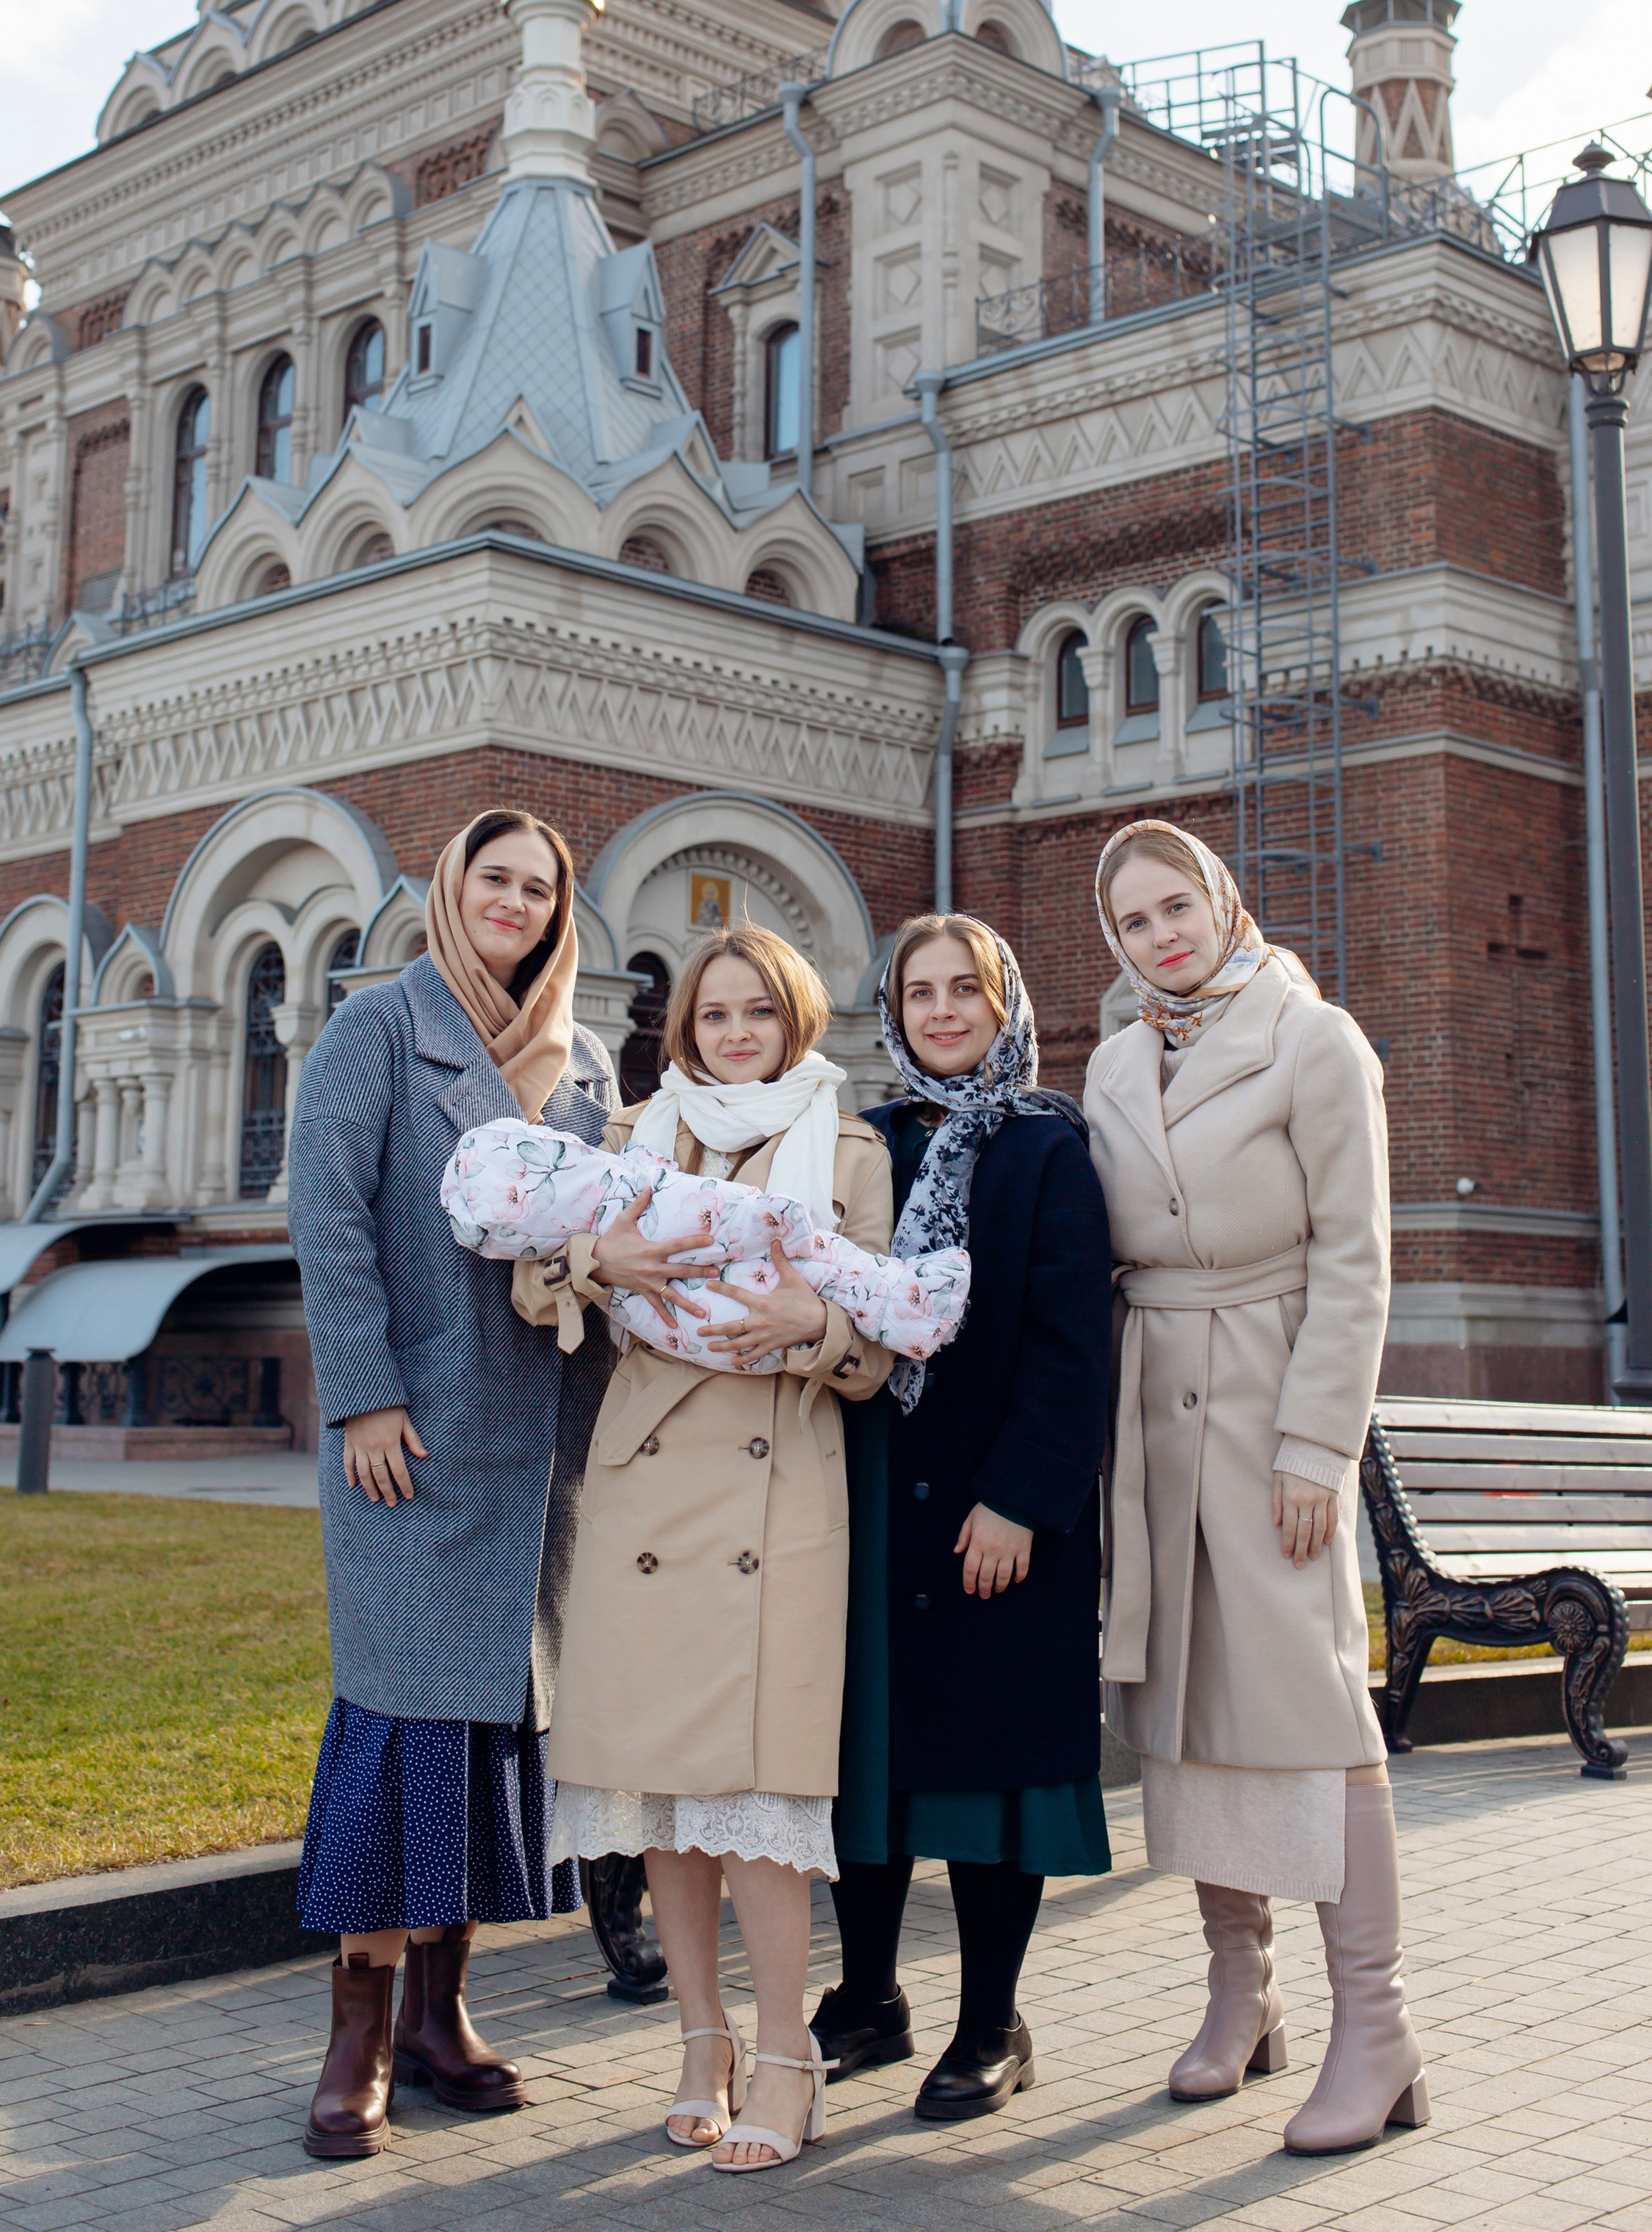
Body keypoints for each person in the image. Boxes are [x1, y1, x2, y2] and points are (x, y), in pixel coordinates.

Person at [517, 924, 892, 2175]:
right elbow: (532, 1285)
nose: (736, 1034)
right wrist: (599, 1256)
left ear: (796, 1023)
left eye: (758, 1013)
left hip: (777, 1487)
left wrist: (810, 1323)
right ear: (683, 1029)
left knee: (759, 1795)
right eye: (714, 1014)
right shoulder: (630, 1137)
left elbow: (881, 1344)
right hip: (640, 1489)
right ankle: (700, 2041)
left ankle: (787, 2055)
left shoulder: (850, 1148)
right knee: (663, 1792)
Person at [1085, 818, 1427, 2157]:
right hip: (1154, 1411)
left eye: (1178, 907)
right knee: (1184, 1708)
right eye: (1134, 921)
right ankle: (1244, 1988)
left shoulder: (1314, 1038)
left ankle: (1377, 2031)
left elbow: (1357, 1257)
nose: (1161, 936)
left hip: (1274, 1398)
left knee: (1312, 1706)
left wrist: (1315, 1447)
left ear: (1225, 903)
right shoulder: (1114, 1060)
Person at [286, 809, 616, 2162]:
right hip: (411, 1439)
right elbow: (328, 1218)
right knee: (397, 1724)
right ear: (452, 888)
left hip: (542, 1442)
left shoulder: (583, 1060)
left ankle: (441, 2012)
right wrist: (363, 1393)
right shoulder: (377, 1029)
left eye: (540, 889)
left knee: (488, 1725)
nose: (517, 904)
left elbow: (608, 1222)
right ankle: (356, 2033)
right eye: (497, 880)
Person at [811, 913, 1114, 2123]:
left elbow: (1072, 1347)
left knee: (994, 1772)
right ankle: (867, 1998)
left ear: (1003, 1005)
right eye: (918, 993)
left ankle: (992, 2021)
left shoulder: (1048, 1150)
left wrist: (1021, 1499)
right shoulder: (868, 1140)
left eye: (964, 990)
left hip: (996, 1502)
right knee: (869, 1758)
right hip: (877, 1488)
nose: (941, 1012)